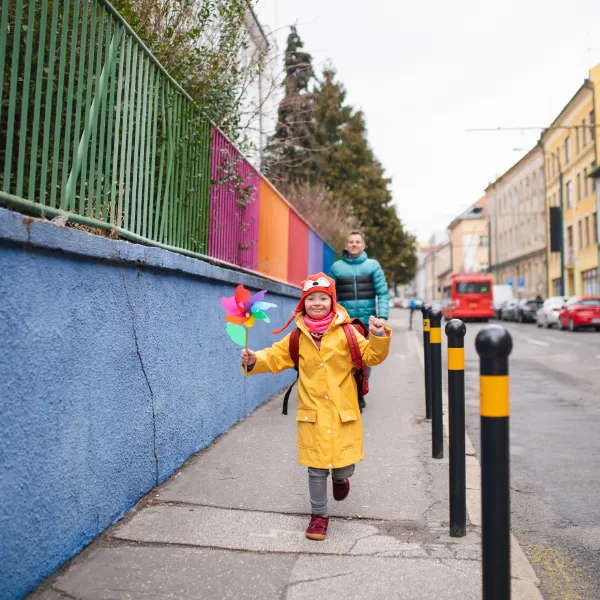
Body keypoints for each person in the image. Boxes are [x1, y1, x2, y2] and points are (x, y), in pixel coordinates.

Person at [240, 273, 391, 541]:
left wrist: (378, 334)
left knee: (343, 466)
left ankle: (341, 479)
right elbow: (275, 356)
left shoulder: (347, 332)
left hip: (343, 412)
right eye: (311, 299)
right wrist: (254, 359)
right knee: (316, 468)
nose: (317, 303)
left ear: (332, 301)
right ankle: (319, 516)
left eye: (323, 298)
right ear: (303, 303)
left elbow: (372, 356)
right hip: (312, 414)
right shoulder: (297, 337)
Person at [329, 231, 389, 412]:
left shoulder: (373, 266)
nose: (354, 244)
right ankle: (350, 392)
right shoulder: (336, 268)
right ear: (346, 245)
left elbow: (383, 293)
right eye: (351, 242)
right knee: (345, 359)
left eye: (357, 242)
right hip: (344, 323)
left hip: (366, 323)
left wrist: (383, 316)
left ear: (363, 246)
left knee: (365, 359)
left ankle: (360, 392)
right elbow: (330, 295)